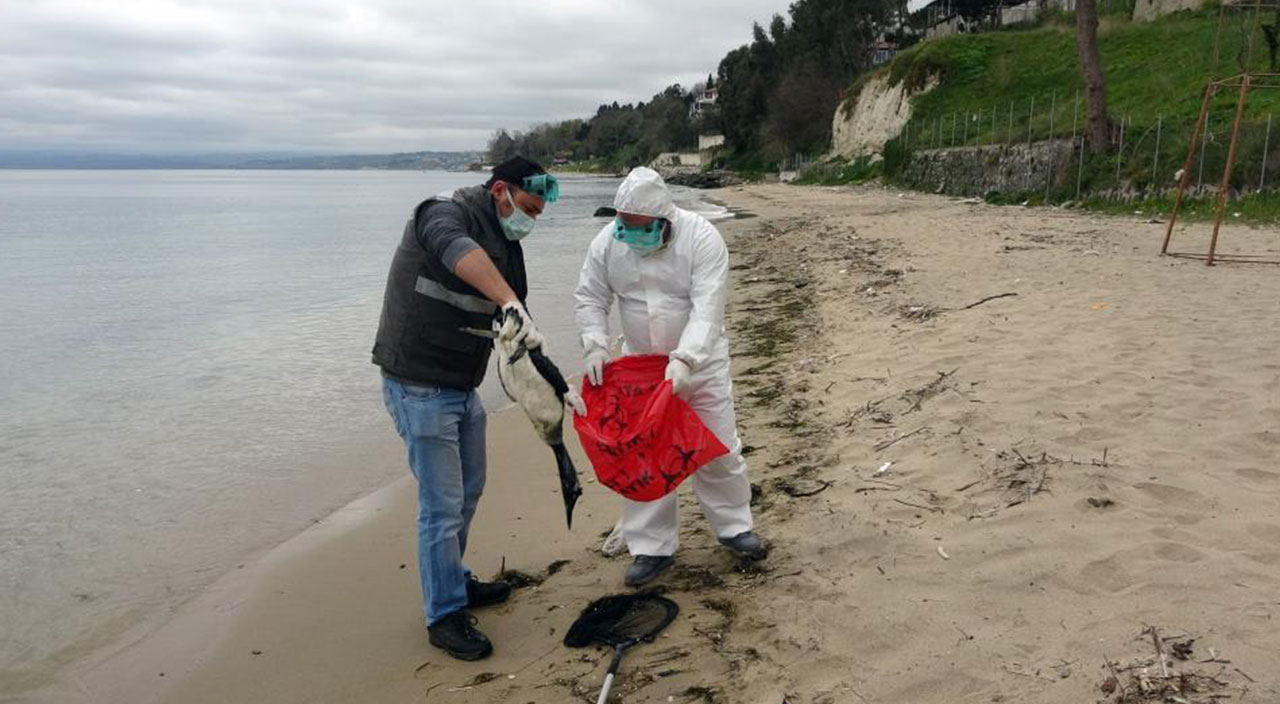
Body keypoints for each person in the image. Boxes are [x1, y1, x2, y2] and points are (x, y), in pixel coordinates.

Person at [372, 156, 562, 660]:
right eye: (527, 207)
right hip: (416, 384)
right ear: (500, 190)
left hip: (460, 386)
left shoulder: (509, 243)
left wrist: (553, 385)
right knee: (441, 503)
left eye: (538, 213)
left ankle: (453, 582)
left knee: (469, 490)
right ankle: (444, 615)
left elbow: (518, 322)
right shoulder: (440, 213)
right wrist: (508, 301)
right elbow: (460, 257)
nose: (531, 220)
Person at [573, 167, 766, 587]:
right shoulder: (609, 243)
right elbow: (591, 295)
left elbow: (708, 307)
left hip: (702, 364)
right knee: (643, 454)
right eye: (625, 226)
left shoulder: (701, 239)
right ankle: (651, 547)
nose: (630, 235)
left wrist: (686, 359)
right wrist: (594, 343)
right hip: (639, 368)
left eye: (641, 228)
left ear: (666, 221)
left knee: (718, 445)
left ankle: (735, 528)